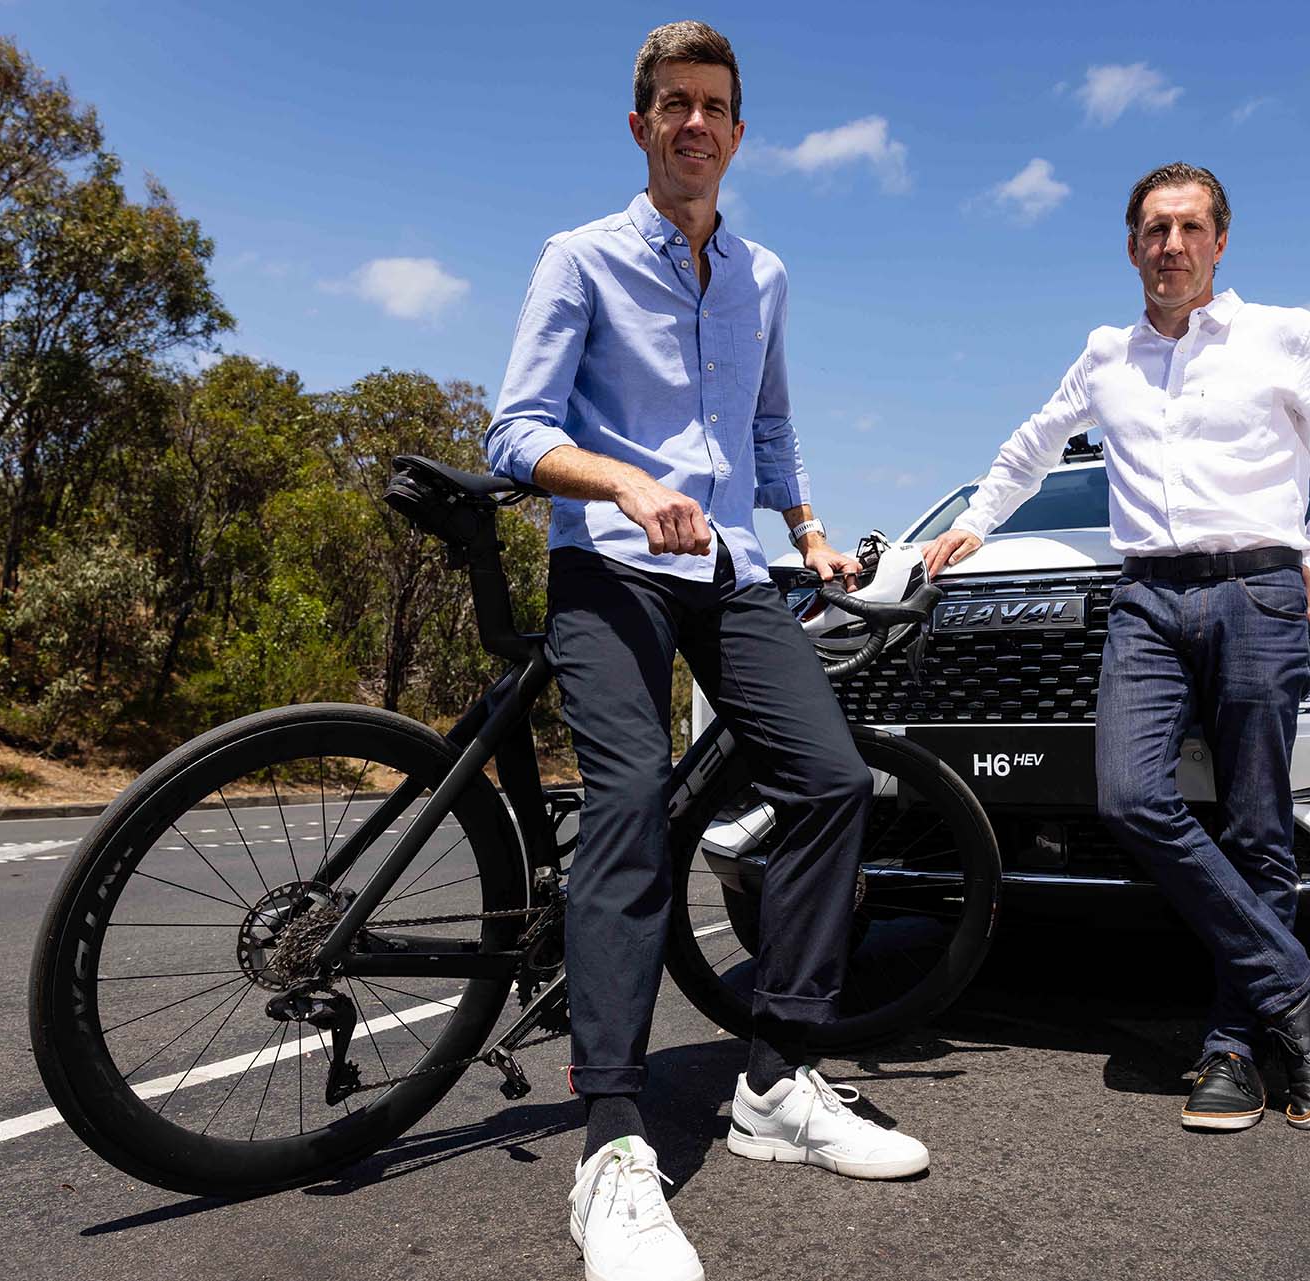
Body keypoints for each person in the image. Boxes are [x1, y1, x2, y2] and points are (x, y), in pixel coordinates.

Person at [486, 21, 928, 1281]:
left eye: (714, 106)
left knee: (834, 783)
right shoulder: (579, 257)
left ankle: (776, 1080)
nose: (695, 123)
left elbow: (769, 428)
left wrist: (810, 535)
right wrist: (624, 483)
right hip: (610, 565)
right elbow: (515, 430)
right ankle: (612, 1145)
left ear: (738, 131)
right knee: (629, 798)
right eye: (673, 103)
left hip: (728, 568)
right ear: (641, 126)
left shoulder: (763, 276)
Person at [920, 162, 1310, 1133]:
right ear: (1132, 246)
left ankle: (1233, 1048)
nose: (1171, 245)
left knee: (1256, 827)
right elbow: (1033, 443)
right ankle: (1297, 984)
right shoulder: (1106, 356)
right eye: (1154, 229)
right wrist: (975, 521)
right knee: (1129, 796)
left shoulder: (1284, 336)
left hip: (1258, 591)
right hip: (1146, 598)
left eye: (1188, 228)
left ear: (1220, 241)